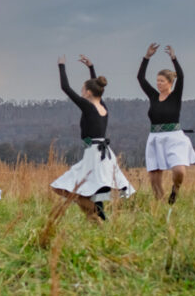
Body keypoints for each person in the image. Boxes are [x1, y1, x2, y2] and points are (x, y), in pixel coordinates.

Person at [50, 55, 134, 222]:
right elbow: (98, 88)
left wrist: (61, 66)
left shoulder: (88, 106)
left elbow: (65, 88)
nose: (81, 92)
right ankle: (97, 220)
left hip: (94, 154)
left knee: (64, 189)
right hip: (101, 153)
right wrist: (91, 67)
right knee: (90, 192)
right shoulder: (103, 106)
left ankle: (101, 215)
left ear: (88, 92)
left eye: (83, 89)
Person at [138, 43, 195, 204]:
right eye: (157, 81)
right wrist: (147, 57)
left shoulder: (175, 96)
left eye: (162, 81)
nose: (158, 84)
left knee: (179, 170)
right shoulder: (153, 96)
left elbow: (182, 76)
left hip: (174, 137)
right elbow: (140, 78)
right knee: (154, 177)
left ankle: (175, 189)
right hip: (155, 138)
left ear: (170, 83)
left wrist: (173, 58)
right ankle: (162, 206)